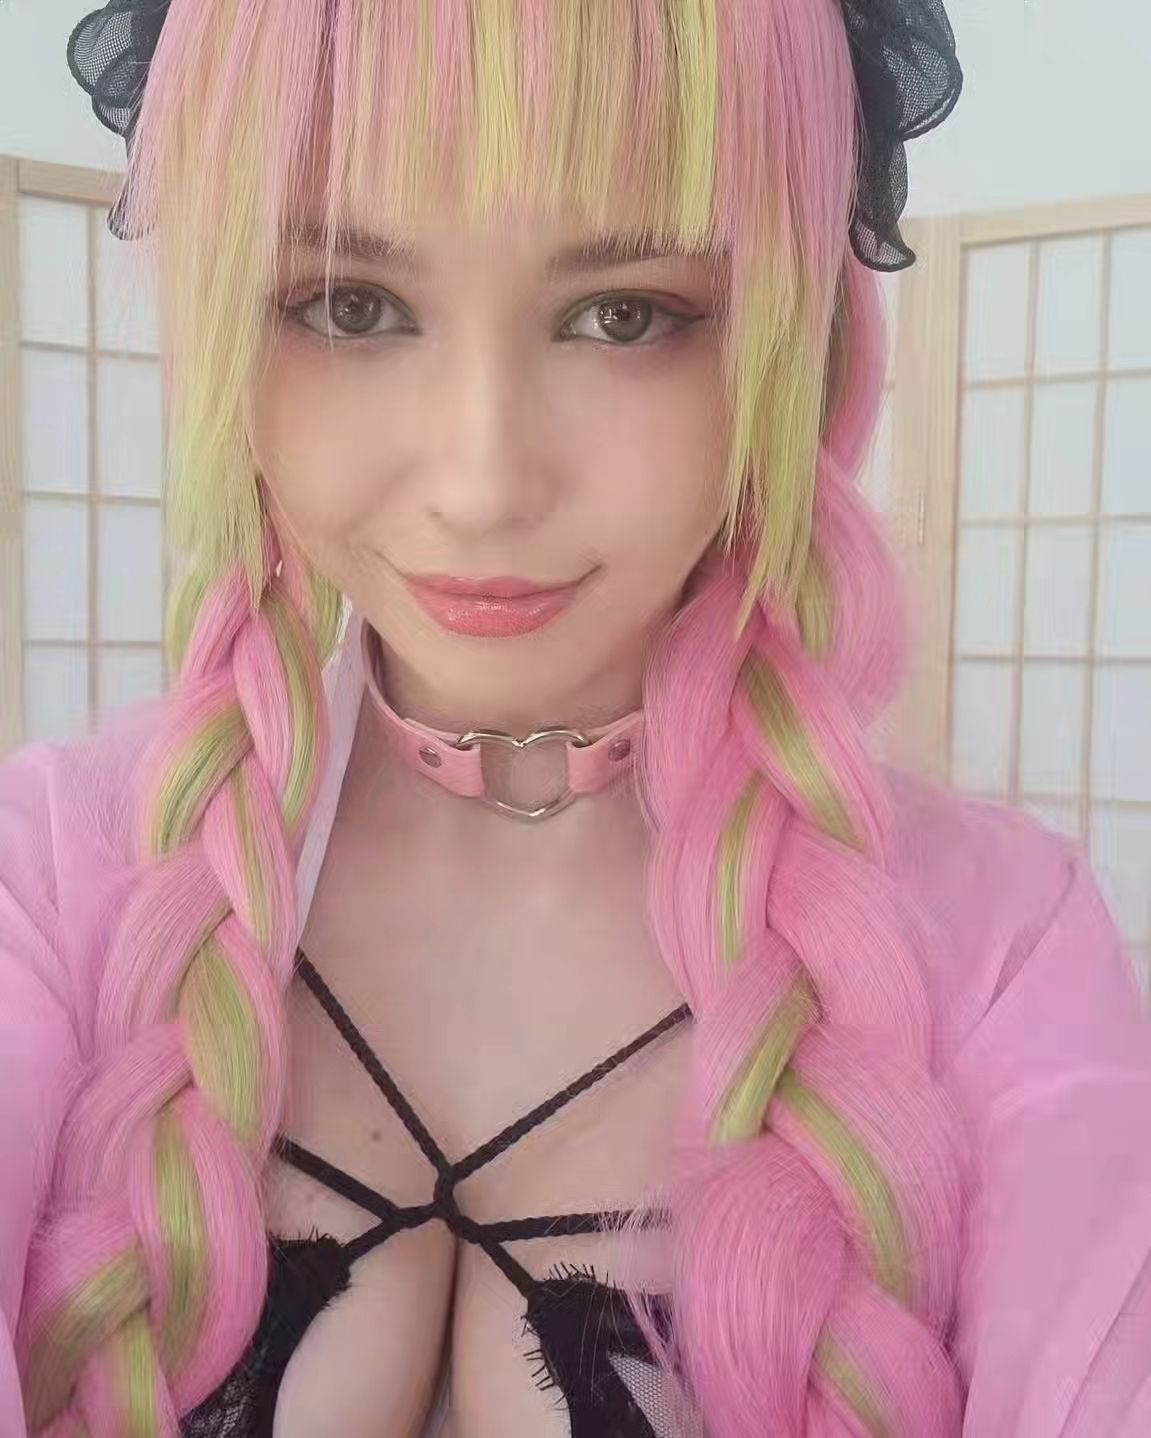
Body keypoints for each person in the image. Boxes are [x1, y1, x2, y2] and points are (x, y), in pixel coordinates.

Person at [3, 0, 1150, 1434]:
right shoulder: (47, 879)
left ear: (791, 345)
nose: (483, 484)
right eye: (353, 304)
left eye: (624, 314)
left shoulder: (1000, 951)